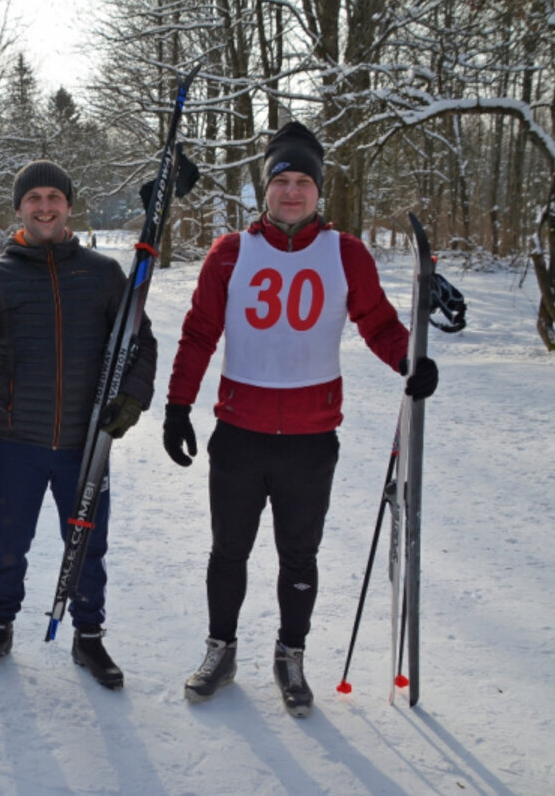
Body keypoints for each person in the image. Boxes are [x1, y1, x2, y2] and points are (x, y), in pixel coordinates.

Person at [162, 122, 439, 717]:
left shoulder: (346, 253)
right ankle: (221, 649)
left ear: (320, 190)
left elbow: (379, 323)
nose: (292, 192)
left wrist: (409, 360)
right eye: (281, 181)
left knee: (299, 556)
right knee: (227, 551)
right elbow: (199, 333)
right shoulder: (231, 252)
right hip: (239, 433)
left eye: (303, 182)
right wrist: (177, 405)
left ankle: (291, 655)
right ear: (265, 189)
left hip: (311, 439)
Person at [0, 160, 156, 690]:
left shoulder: (101, 274)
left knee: (87, 544)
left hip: (84, 440)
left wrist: (133, 399)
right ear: (20, 207)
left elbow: (141, 341)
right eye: (34, 198)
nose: (45, 206)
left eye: (54, 196)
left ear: (69, 205)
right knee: (9, 541)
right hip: (15, 442)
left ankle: (88, 636)